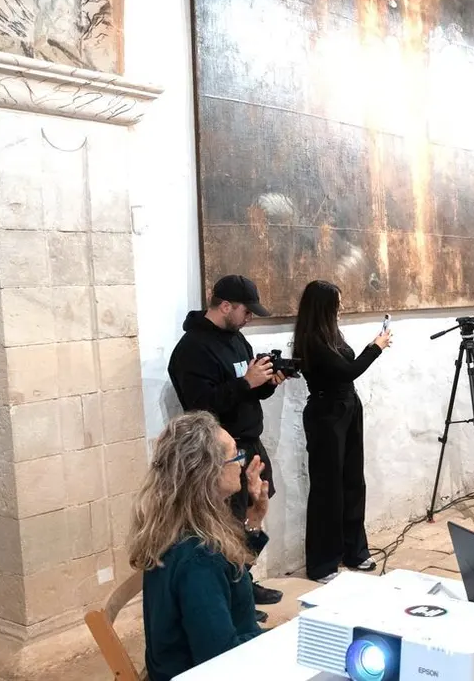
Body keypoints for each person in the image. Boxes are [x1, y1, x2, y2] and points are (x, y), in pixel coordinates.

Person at [167, 274, 285, 610]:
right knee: (226, 524)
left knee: (251, 513)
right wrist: (246, 383)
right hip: (221, 452)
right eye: (247, 312)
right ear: (225, 306)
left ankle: (243, 580)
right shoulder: (192, 349)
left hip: (250, 442)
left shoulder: (237, 339)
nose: (250, 319)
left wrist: (268, 382)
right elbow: (200, 405)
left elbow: (246, 390)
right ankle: (232, 595)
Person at [130, 412, 271, 681]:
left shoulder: (180, 523)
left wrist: (254, 517)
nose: (241, 464)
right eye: (235, 455)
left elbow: (230, 572)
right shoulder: (199, 558)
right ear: (209, 471)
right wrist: (276, 643)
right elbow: (218, 660)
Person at [292, 280, 391, 582]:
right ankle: (322, 563)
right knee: (327, 490)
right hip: (326, 415)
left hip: (347, 408)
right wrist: (376, 347)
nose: (340, 308)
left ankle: (354, 551)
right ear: (323, 306)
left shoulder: (330, 334)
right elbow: (348, 370)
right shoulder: (312, 340)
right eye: (336, 303)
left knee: (352, 483)